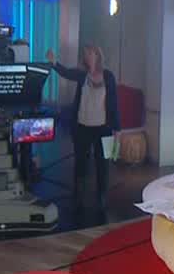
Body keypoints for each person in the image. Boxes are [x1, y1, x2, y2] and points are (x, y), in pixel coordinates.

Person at [46, 45, 120, 214]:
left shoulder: (108, 76)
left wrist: (117, 128)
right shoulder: (81, 75)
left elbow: (114, 103)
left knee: (103, 165)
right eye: (86, 54)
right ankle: (78, 197)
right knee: (81, 163)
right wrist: (53, 62)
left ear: (97, 55)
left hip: (104, 129)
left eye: (90, 53)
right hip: (82, 128)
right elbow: (65, 72)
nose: (88, 57)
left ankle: (102, 197)